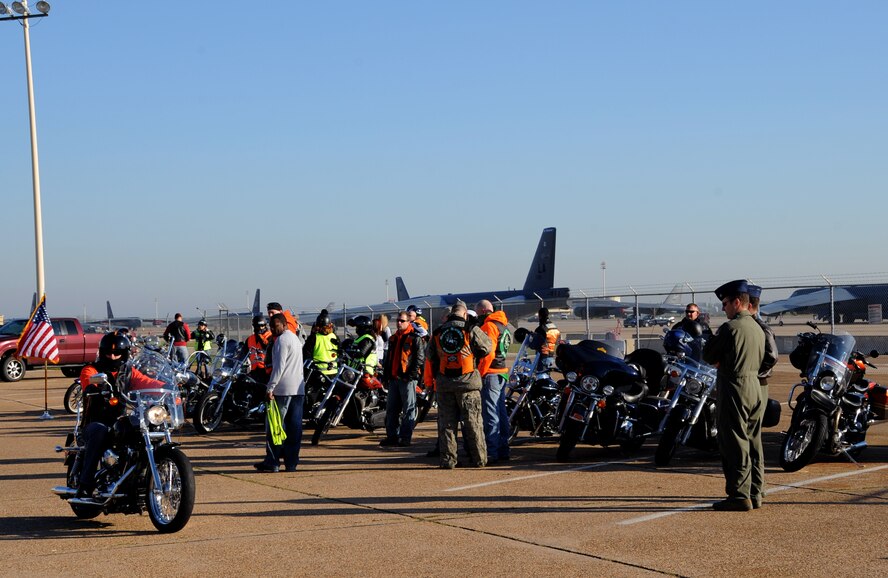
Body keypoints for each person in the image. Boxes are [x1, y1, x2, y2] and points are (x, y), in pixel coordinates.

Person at [702, 279, 765, 512]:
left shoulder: (731, 328)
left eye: (726, 303)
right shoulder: (757, 327)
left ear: (737, 302)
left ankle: (739, 494)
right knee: (753, 441)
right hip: (755, 386)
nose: (723, 308)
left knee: (734, 442)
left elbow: (708, 354)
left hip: (735, 386)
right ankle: (756, 492)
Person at [77, 333, 163, 500]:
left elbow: (146, 382)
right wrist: (93, 386)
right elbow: (87, 380)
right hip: (95, 422)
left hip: (119, 420)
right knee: (100, 432)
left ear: (125, 354)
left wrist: (169, 387)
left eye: (117, 354)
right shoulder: (91, 369)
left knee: (144, 429)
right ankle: (85, 485)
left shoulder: (128, 371)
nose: (113, 356)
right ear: (102, 352)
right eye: (109, 353)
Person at [427, 302, 492, 469]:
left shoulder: (438, 332)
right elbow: (487, 348)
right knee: (473, 423)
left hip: (444, 385)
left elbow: (430, 356)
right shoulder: (470, 329)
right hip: (468, 384)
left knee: (447, 425)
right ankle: (479, 459)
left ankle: (448, 460)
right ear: (465, 315)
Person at [255, 313, 305, 473]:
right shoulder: (296, 340)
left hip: (282, 390)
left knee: (275, 427)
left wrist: (270, 387)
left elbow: (279, 368)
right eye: (271, 326)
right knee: (294, 429)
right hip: (298, 390)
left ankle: (272, 462)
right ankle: (291, 464)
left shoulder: (281, 341)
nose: (272, 329)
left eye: (275, 326)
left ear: (284, 325)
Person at [380, 311, 425, 447]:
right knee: (391, 409)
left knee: (409, 409)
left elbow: (419, 359)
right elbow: (388, 359)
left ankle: (405, 437)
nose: (399, 323)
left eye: (402, 321)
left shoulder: (414, 338)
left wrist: (409, 377)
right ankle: (392, 436)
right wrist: (386, 376)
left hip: (407, 380)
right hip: (394, 379)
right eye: (398, 320)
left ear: (408, 322)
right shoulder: (393, 338)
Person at [475, 300, 512, 464]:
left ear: (483, 311)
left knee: (490, 413)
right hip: (502, 372)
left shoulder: (489, 326)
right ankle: (503, 448)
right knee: (501, 412)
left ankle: (492, 451)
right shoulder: (503, 325)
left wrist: (480, 373)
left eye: (478, 314)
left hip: (491, 373)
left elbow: (488, 353)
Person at [302, 310, 339, 379]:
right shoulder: (335, 337)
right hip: (333, 372)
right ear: (330, 325)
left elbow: (305, 355)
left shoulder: (313, 338)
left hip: (317, 373)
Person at [245, 315, 273, 384]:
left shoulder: (270, 336)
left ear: (265, 325)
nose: (260, 328)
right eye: (257, 326)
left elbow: (266, 346)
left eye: (262, 326)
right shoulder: (250, 339)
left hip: (267, 369)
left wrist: (260, 336)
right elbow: (243, 352)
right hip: (254, 369)